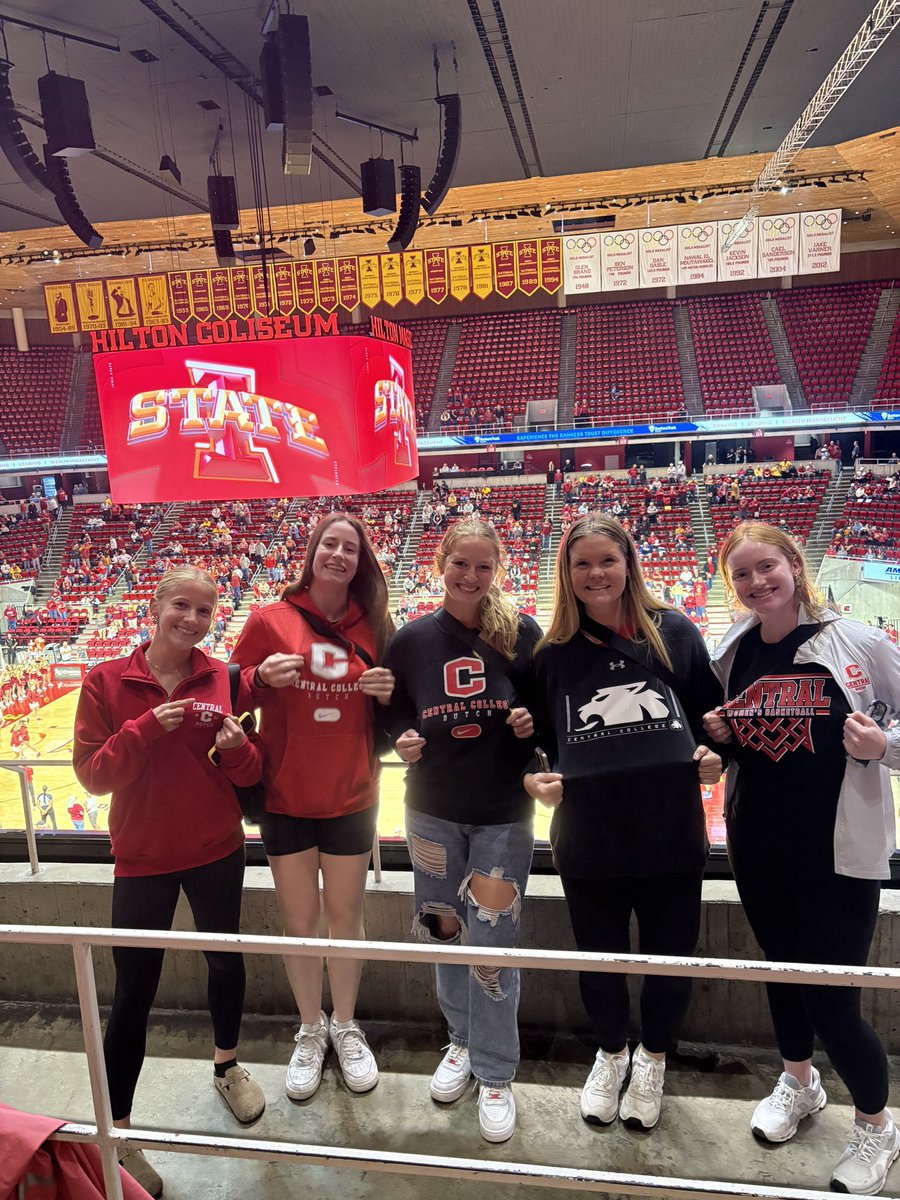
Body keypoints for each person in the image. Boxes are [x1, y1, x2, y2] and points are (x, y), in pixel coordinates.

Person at [702, 522, 900, 1196]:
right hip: (758, 845)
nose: (758, 584)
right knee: (782, 979)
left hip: (840, 854)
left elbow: (896, 730)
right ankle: (799, 1083)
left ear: (794, 563)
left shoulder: (859, 642)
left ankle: (877, 1126)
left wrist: (883, 748)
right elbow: (734, 740)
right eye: (743, 576)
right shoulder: (731, 650)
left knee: (834, 1001)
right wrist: (719, 739)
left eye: (768, 568)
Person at [524, 514, 722, 1132]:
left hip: (669, 831)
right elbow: (531, 741)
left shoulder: (676, 633)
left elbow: (714, 722)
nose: (595, 574)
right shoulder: (551, 652)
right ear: (566, 573)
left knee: (670, 959)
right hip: (589, 836)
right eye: (581, 563)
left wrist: (717, 755)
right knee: (600, 959)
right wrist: (534, 777)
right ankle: (611, 1054)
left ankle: (654, 1059)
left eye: (606, 560)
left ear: (629, 563)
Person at [73, 566, 266, 1199]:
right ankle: (120, 1130)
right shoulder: (105, 681)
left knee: (225, 961)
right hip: (142, 856)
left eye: (204, 611)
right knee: (133, 992)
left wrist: (237, 748)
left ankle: (227, 1066)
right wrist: (148, 726)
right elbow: (96, 777)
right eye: (181, 605)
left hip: (217, 847)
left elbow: (247, 772)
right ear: (155, 607)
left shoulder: (223, 678)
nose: (191, 619)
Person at [384, 518, 541, 1143]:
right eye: (460, 564)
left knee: (494, 940)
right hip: (431, 809)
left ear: (497, 568)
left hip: (504, 812)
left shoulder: (522, 633)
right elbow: (389, 713)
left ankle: (497, 1070)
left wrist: (534, 731)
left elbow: (549, 712)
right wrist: (400, 739)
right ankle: (460, 1041)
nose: (470, 576)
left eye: (482, 566)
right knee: (444, 930)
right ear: (440, 563)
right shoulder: (412, 639)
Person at [230, 512, 395, 1105]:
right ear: (313, 551)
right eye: (331, 543)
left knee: (345, 921)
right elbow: (228, 690)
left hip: (352, 795)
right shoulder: (270, 619)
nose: (339, 554)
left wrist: (389, 694)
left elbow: (396, 705)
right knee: (299, 923)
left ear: (360, 561)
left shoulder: (377, 623)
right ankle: (309, 1030)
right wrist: (257, 678)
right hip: (286, 797)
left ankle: (346, 1026)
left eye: (351, 548)